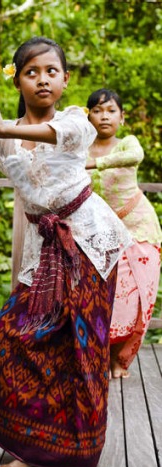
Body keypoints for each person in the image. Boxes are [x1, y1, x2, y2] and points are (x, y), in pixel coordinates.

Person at [0, 37, 132, 467]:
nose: (42, 79)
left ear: (65, 79)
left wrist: (2, 130)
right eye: (31, 72)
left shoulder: (75, 120)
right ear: (17, 80)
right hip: (45, 250)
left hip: (90, 243)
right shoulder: (1, 135)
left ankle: (77, 449)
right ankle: (28, 444)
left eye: (51, 71)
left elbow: (60, 135)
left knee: (81, 346)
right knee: (9, 335)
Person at [86, 88, 162, 379]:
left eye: (111, 110)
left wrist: (94, 163)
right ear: (89, 115)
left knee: (136, 298)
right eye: (97, 110)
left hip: (140, 229)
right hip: (103, 234)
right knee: (105, 298)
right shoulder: (81, 149)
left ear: (122, 116)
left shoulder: (128, 142)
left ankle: (121, 360)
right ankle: (101, 356)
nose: (104, 116)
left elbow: (136, 155)